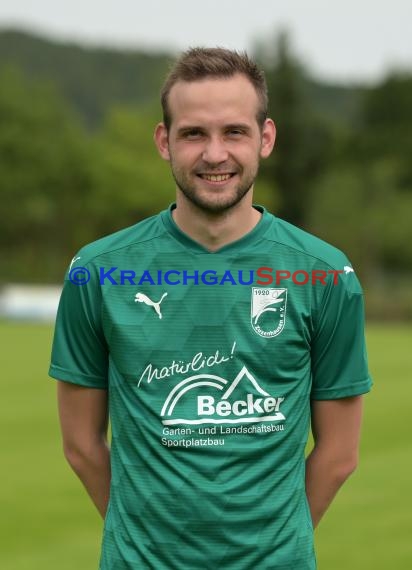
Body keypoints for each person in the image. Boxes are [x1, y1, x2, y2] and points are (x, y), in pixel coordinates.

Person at [49, 47, 372, 569]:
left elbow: (339, 455)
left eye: (234, 132)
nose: (214, 153)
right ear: (164, 141)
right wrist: (146, 543)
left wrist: (270, 550)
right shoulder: (99, 271)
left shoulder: (324, 274)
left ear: (265, 138)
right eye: (194, 133)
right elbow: (81, 445)